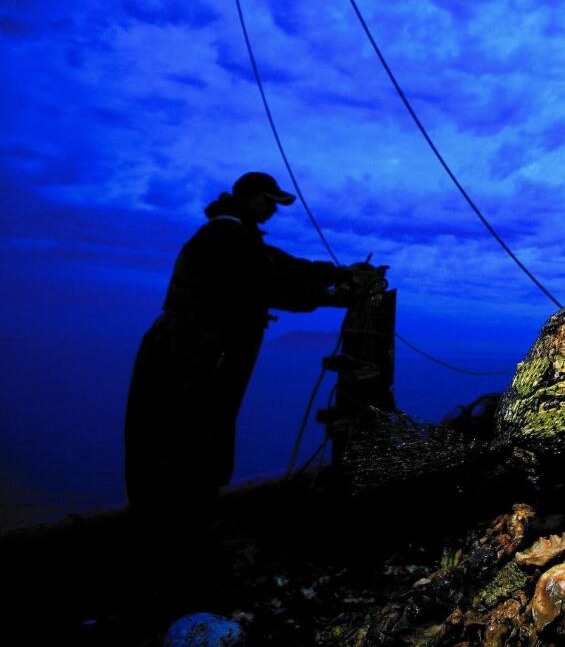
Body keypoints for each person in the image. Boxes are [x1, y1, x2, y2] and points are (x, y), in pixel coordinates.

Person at [123, 171, 381, 597]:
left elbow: (284, 267)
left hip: (198, 360)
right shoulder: (225, 238)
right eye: (267, 201)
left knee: (190, 450)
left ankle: (181, 556)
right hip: (186, 362)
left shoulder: (239, 238)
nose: (271, 210)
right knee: (178, 451)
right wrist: (338, 293)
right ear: (246, 197)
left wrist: (341, 272)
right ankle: (170, 565)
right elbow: (272, 284)